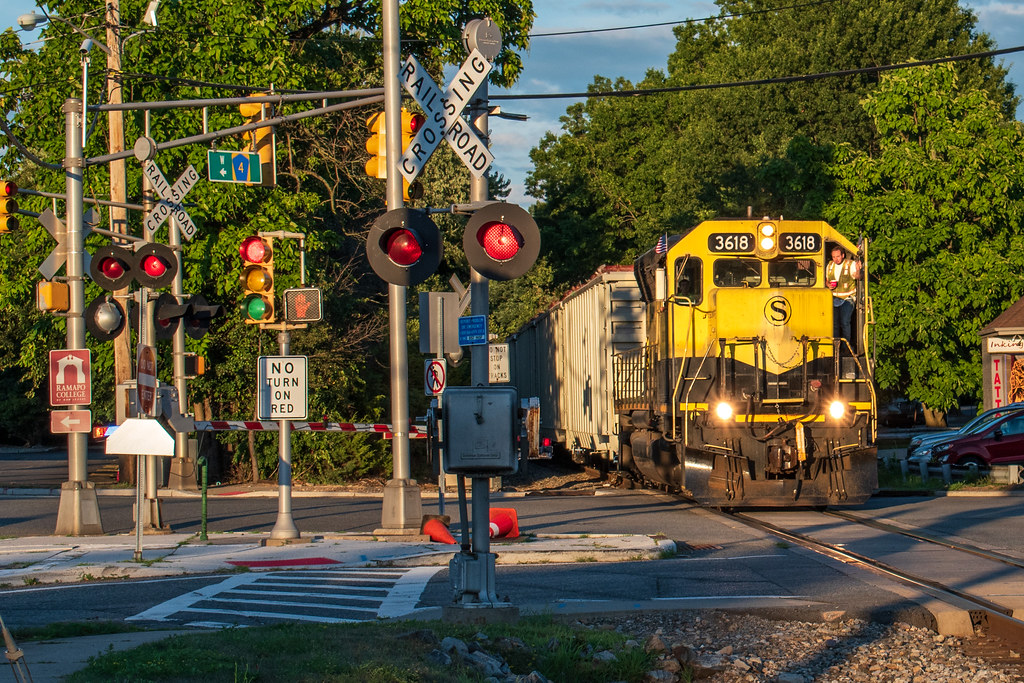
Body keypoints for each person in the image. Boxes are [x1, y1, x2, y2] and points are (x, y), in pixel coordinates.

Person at [826, 246, 859, 349]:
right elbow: (826, 279)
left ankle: (847, 347)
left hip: (847, 298)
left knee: (845, 322)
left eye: (838, 256)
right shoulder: (830, 265)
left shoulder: (851, 264)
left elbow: (858, 277)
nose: (836, 259)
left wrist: (858, 269)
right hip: (834, 298)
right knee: (834, 324)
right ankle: (836, 348)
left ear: (843, 255)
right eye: (834, 257)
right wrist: (828, 285)